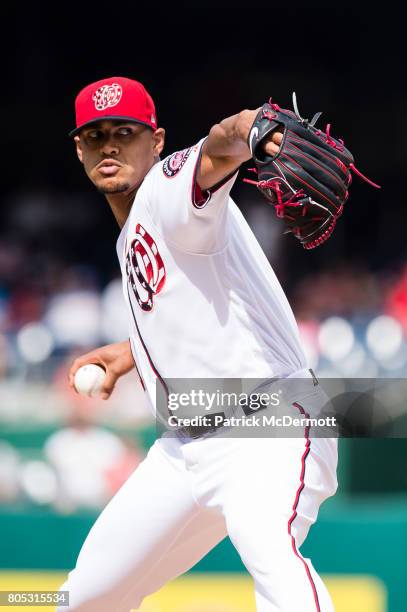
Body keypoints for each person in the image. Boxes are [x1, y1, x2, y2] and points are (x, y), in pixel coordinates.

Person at [58, 76, 338, 611]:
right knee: (83, 597)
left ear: (157, 141)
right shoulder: (134, 231)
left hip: (267, 424)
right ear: (79, 148)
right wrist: (127, 353)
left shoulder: (167, 188)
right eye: (96, 136)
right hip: (184, 449)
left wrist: (253, 126)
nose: (110, 145)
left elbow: (218, 143)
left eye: (125, 132)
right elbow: (191, 315)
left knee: (273, 558)